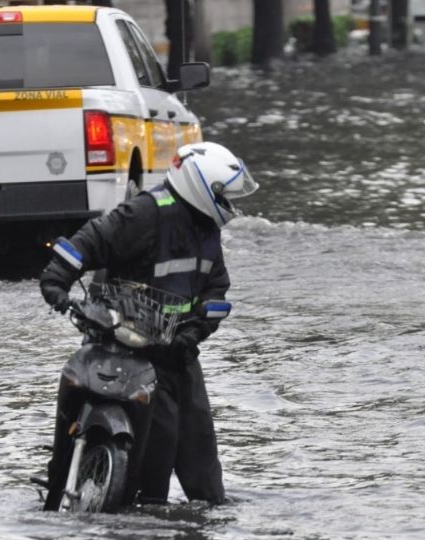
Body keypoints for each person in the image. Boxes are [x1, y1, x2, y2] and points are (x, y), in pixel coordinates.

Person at [37, 141, 258, 508]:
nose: (230, 205)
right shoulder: (144, 214)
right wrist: (55, 280)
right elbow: (89, 241)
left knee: (203, 469)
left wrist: (195, 331)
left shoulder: (206, 229)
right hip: (124, 346)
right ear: (199, 184)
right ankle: (66, 485)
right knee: (152, 466)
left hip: (176, 352)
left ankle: (203, 519)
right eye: (224, 195)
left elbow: (216, 288)